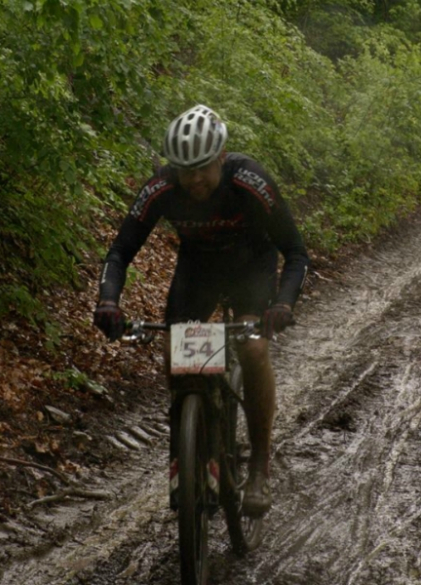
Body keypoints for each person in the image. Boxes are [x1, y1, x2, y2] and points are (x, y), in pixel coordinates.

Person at [93, 104, 310, 515]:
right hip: (199, 271)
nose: (193, 179)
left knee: (253, 350)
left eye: (202, 168)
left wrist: (283, 303)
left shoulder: (250, 180)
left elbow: (296, 252)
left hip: (251, 268)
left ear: (221, 159)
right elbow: (121, 250)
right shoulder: (160, 188)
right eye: (183, 169)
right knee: (178, 357)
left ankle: (259, 468)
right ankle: (191, 451)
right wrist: (108, 300)